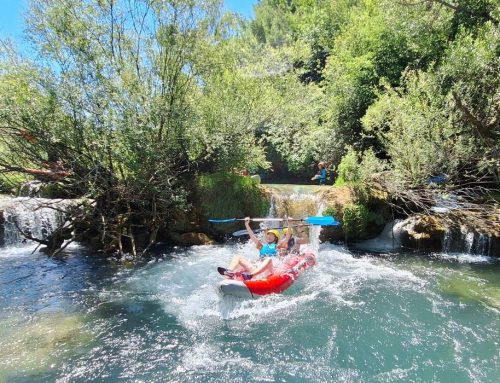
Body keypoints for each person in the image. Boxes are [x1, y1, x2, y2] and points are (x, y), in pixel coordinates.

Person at [218, 217, 291, 280]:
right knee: (238, 257)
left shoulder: (277, 246)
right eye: (268, 235)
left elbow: (287, 238)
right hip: (257, 268)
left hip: (269, 270)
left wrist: (289, 224)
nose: (269, 236)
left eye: (271, 235)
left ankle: (251, 275)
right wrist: (247, 224)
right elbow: (252, 236)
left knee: (268, 259)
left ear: (276, 238)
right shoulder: (261, 246)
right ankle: (229, 271)